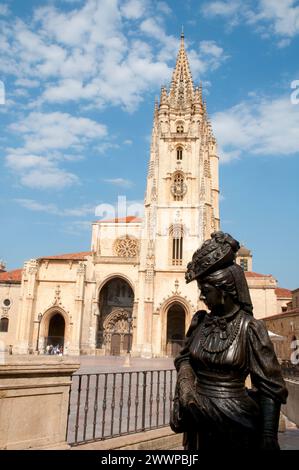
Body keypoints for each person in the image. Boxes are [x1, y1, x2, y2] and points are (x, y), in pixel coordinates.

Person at [170, 231, 288, 451]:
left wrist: (269, 435)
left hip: (236, 420)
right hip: (198, 420)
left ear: (224, 291)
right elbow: (184, 357)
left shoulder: (250, 328)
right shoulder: (200, 321)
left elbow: (270, 388)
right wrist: (186, 384)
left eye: (206, 291)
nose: (202, 297)